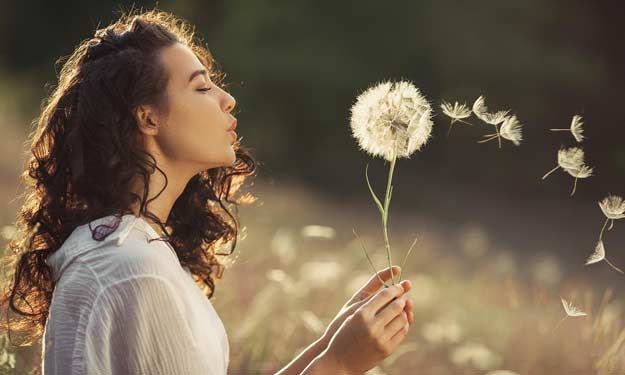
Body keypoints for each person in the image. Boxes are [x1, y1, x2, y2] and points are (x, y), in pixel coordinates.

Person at [0, 8, 414, 375]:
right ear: (147, 117)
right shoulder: (135, 270)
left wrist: (328, 345)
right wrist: (339, 365)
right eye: (201, 88)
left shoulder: (131, 248)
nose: (228, 99)